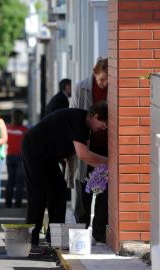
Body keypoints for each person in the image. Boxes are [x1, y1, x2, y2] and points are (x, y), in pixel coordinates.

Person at [22, 101, 108, 246]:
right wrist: (111, 163)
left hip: (49, 157)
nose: (103, 129)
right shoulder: (78, 121)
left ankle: (54, 237)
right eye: (103, 125)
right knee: (38, 196)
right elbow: (84, 155)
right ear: (96, 116)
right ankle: (30, 241)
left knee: (59, 192)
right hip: (34, 150)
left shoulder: (85, 125)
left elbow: (79, 151)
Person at [69, 58, 108, 243]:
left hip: (106, 146)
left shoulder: (114, 87)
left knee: (103, 191)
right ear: (94, 73)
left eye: (107, 80)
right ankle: (82, 232)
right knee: (84, 190)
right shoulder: (81, 88)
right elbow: (73, 116)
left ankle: (99, 232)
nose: (105, 83)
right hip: (85, 146)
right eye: (102, 80)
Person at [5, 109, 28, 208]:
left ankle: (8, 203)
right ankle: (17, 203)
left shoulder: (7, 128)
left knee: (11, 180)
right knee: (20, 181)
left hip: (9, 156)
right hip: (21, 157)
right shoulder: (24, 130)